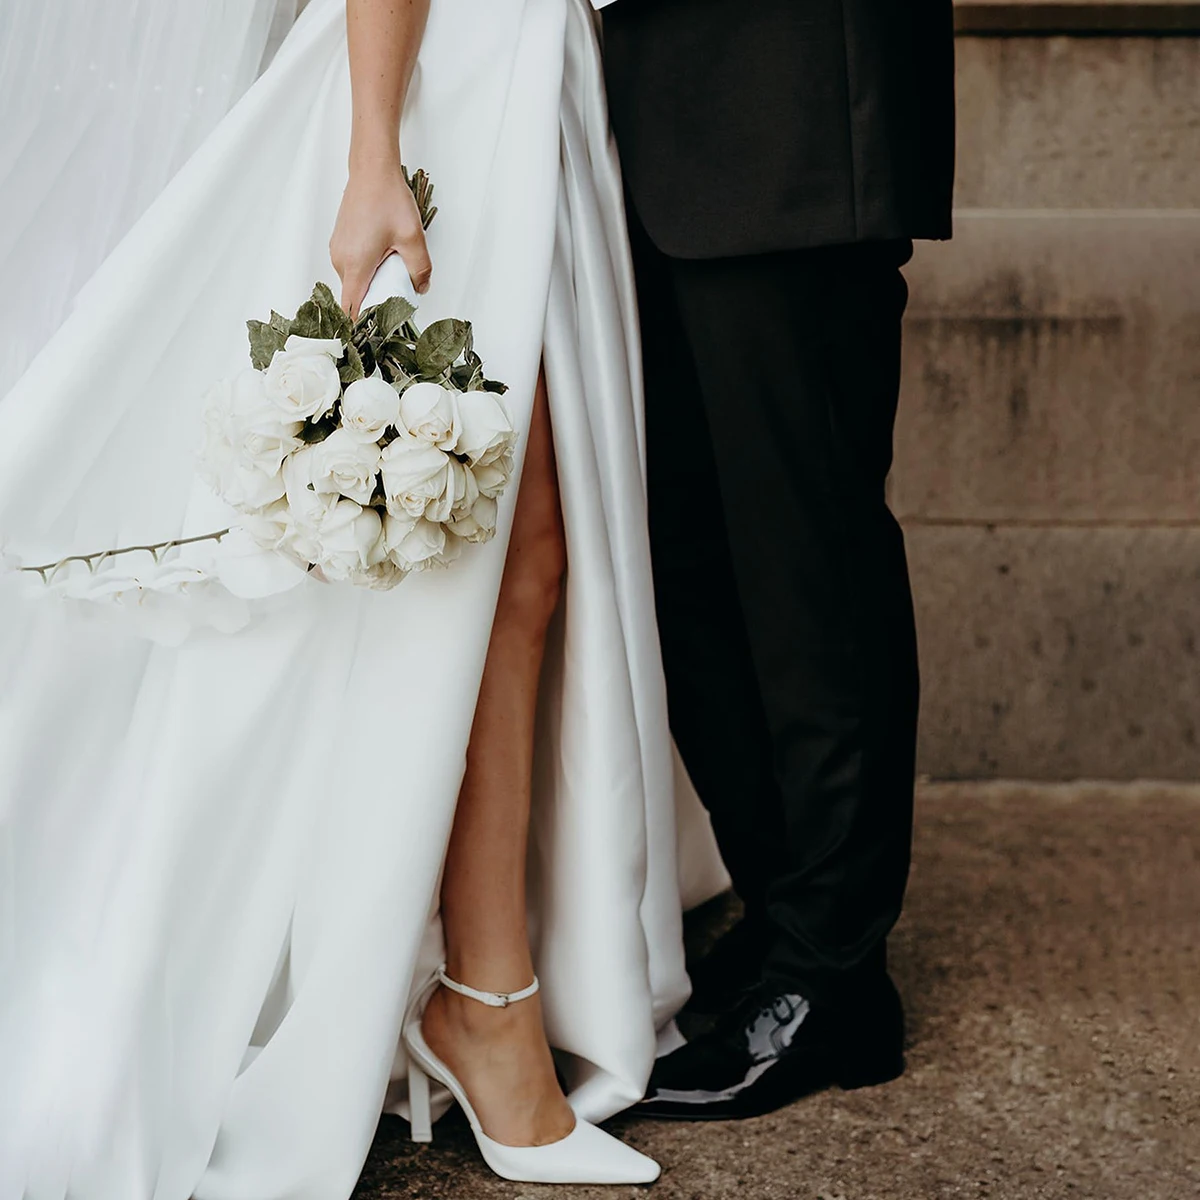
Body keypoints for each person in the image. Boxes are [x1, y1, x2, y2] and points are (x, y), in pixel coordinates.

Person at [0, 0, 709, 1194]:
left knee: (506, 560)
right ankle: (475, 1007)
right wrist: (376, 140)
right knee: (480, 551)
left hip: (507, 69)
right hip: (441, 80)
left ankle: (481, 998)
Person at [599, 0, 957, 1119]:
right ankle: (789, 907)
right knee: (683, 563)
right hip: (641, 128)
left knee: (811, 568)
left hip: (791, 107)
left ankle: (834, 977)